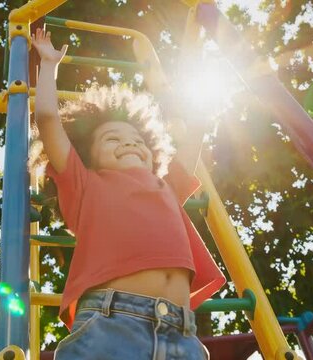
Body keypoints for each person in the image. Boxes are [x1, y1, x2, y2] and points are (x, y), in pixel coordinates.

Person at [31, 28, 225, 360]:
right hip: (112, 323)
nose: (129, 144)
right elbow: (48, 120)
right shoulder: (85, 182)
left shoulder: (166, 185)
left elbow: (197, 129)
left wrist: (199, 62)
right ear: (88, 156)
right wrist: (48, 64)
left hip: (182, 333)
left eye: (137, 140)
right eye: (113, 139)